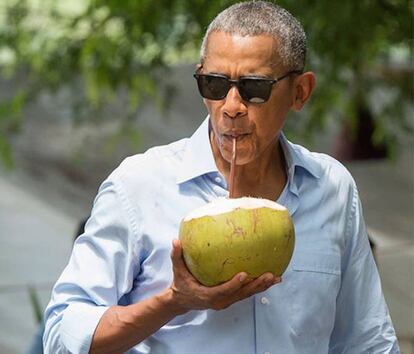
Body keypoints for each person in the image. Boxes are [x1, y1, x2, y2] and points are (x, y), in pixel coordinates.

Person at [43, 2, 399, 353]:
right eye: (214, 84)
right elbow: (62, 337)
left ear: (300, 92)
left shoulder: (331, 187)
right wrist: (173, 301)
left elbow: (366, 340)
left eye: (253, 88)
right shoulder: (139, 187)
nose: (230, 106)